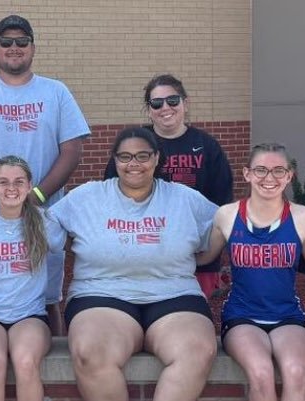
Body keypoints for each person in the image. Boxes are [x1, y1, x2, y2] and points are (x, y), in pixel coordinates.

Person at [49, 127, 218, 401]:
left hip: (174, 294)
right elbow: (46, 228)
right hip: (101, 294)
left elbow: (224, 227)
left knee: (197, 351)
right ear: (114, 160)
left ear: (156, 158)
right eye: (125, 157)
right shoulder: (88, 197)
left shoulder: (184, 199)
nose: (133, 164)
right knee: (91, 353)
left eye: (142, 155)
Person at [0, 14, 90, 334]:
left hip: (43, 212)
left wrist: (36, 196)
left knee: (49, 297)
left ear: (33, 48)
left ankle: (55, 370)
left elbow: (71, 150)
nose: (14, 48)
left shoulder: (56, 92)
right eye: (6, 42)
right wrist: (2, 197)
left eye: (22, 42)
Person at [198, 143, 305, 401]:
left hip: (287, 315)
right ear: (247, 174)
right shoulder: (228, 215)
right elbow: (204, 258)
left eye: (279, 171)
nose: (270, 178)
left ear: (289, 175)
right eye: (261, 170)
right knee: (261, 371)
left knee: (296, 370)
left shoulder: (302, 217)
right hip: (242, 316)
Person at [106, 74, 234, 299]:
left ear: (186, 102)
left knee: (189, 316)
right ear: (149, 109)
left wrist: (209, 252)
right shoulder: (136, 144)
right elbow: (112, 196)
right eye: (157, 103)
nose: (165, 107)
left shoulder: (207, 146)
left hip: (195, 253)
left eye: (172, 100)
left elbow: (221, 205)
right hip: (143, 253)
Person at [0, 155, 66, 401]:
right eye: (4, 182)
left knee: (26, 361)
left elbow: (78, 245)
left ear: (30, 186)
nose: (11, 188)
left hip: (29, 315)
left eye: (19, 182)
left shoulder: (44, 221)